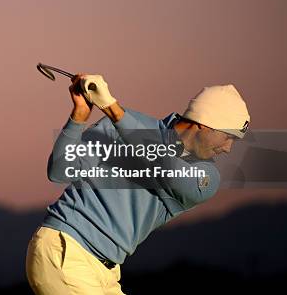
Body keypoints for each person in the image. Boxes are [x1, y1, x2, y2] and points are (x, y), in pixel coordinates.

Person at [26, 73, 250, 295]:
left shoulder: (206, 177)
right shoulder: (119, 125)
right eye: (228, 136)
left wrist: (112, 108)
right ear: (205, 123)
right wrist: (79, 117)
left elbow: (166, 167)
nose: (228, 148)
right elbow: (59, 171)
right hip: (65, 249)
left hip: (107, 272)